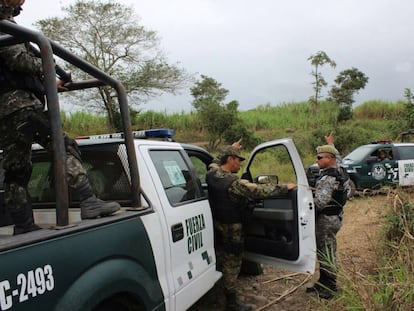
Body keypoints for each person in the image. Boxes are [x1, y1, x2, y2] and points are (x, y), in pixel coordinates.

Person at [0, 1, 120, 235]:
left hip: (6, 114)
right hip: (21, 106)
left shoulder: (8, 26)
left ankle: (24, 225)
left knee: (17, 171)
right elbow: (19, 61)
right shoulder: (5, 27)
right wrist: (47, 63)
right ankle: (88, 200)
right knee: (63, 145)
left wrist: (51, 81)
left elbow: (11, 70)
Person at [206, 144, 296, 311]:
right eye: (238, 159)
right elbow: (259, 191)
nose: (240, 164)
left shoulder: (212, 174)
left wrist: (229, 148)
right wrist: (286, 187)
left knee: (223, 255)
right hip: (233, 230)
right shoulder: (233, 183)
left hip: (218, 225)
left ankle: (220, 283)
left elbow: (214, 161)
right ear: (230, 159)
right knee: (232, 263)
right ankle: (231, 303)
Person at [306, 143, 350, 299]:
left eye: (319, 157)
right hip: (334, 217)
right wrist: (332, 144)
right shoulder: (340, 171)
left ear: (330, 158)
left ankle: (330, 287)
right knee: (325, 250)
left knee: (327, 252)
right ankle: (323, 281)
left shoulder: (328, 177)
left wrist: (306, 199)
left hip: (326, 220)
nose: (316, 160)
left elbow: (319, 203)